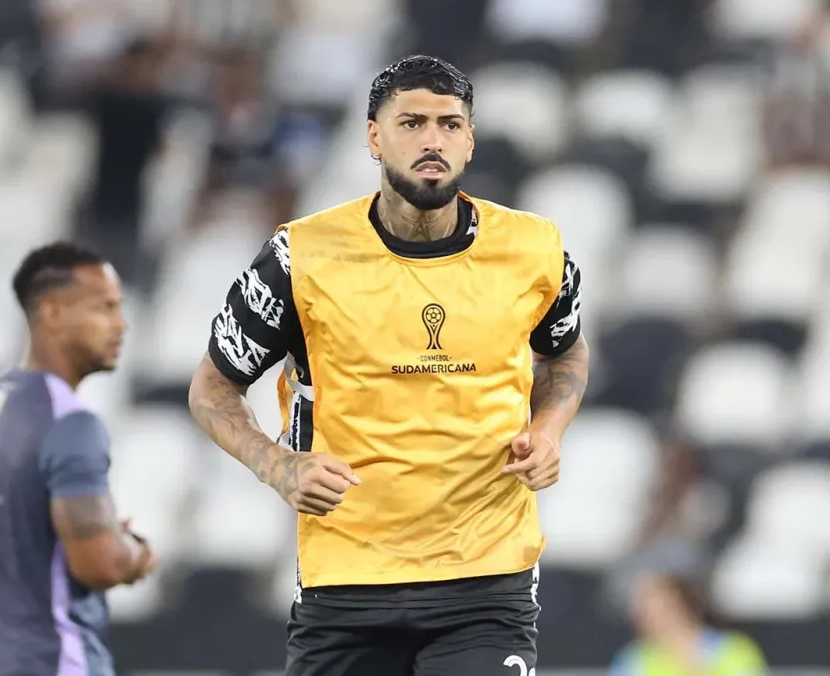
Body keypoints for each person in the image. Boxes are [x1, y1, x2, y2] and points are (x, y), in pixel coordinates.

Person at [188, 54, 589, 675]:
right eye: (412, 123)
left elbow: (564, 351)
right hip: (346, 582)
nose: (433, 140)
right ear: (374, 136)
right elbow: (213, 389)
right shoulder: (302, 257)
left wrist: (549, 429)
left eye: (451, 125)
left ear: (471, 141)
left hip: (486, 578)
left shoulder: (534, 248)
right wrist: (277, 465)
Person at [0, 241, 156, 676]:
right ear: (53, 313)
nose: (121, 325)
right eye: (105, 308)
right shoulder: (72, 424)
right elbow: (97, 561)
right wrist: (134, 552)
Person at [611, 570, 768, 676]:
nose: (647, 618)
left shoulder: (734, 650)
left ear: (682, 606)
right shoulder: (634, 660)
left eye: (660, 609)